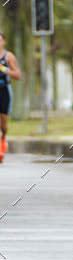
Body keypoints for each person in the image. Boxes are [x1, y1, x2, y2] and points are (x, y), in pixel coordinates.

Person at [0, 31, 21, 162]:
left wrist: (3, 69)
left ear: (4, 41)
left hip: (4, 91)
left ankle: (3, 139)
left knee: (3, 124)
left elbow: (17, 75)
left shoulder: (8, 57)